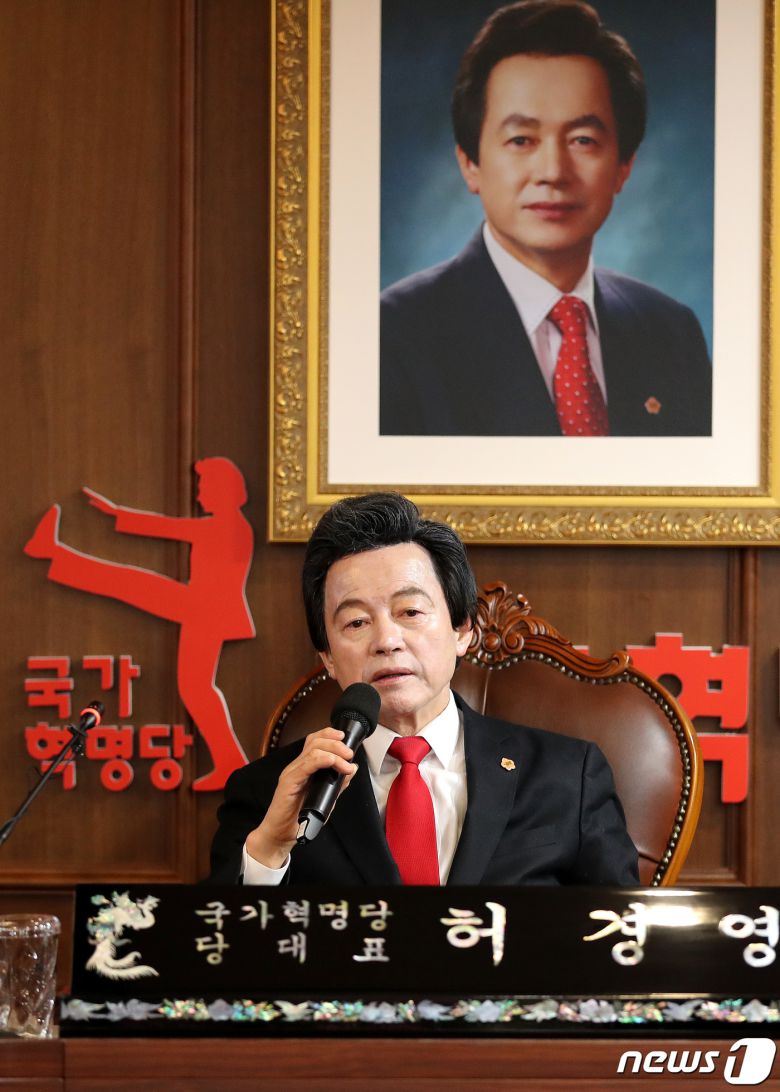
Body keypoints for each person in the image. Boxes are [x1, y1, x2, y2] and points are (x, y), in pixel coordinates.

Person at [209, 491, 638, 885]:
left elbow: (624, 933)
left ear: (462, 629)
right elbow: (221, 938)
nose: (386, 640)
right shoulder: (270, 791)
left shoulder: (568, 775)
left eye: (410, 612)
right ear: (328, 658)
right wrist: (269, 849)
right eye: (356, 622)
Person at [380, 0, 712, 437]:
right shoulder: (392, 336)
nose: (553, 172)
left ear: (624, 166)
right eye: (521, 140)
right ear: (470, 163)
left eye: (582, 140)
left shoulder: (671, 332)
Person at [24, 457, 255, 792]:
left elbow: (168, 528)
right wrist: (117, 516)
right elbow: (171, 529)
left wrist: (117, 514)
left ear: (224, 490)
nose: (199, 494)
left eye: (204, 486)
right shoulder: (227, 525)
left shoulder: (226, 527)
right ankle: (231, 762)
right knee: (195, 686)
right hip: (201, 609)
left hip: (205, 610)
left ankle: (52, 552)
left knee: (129, 583)